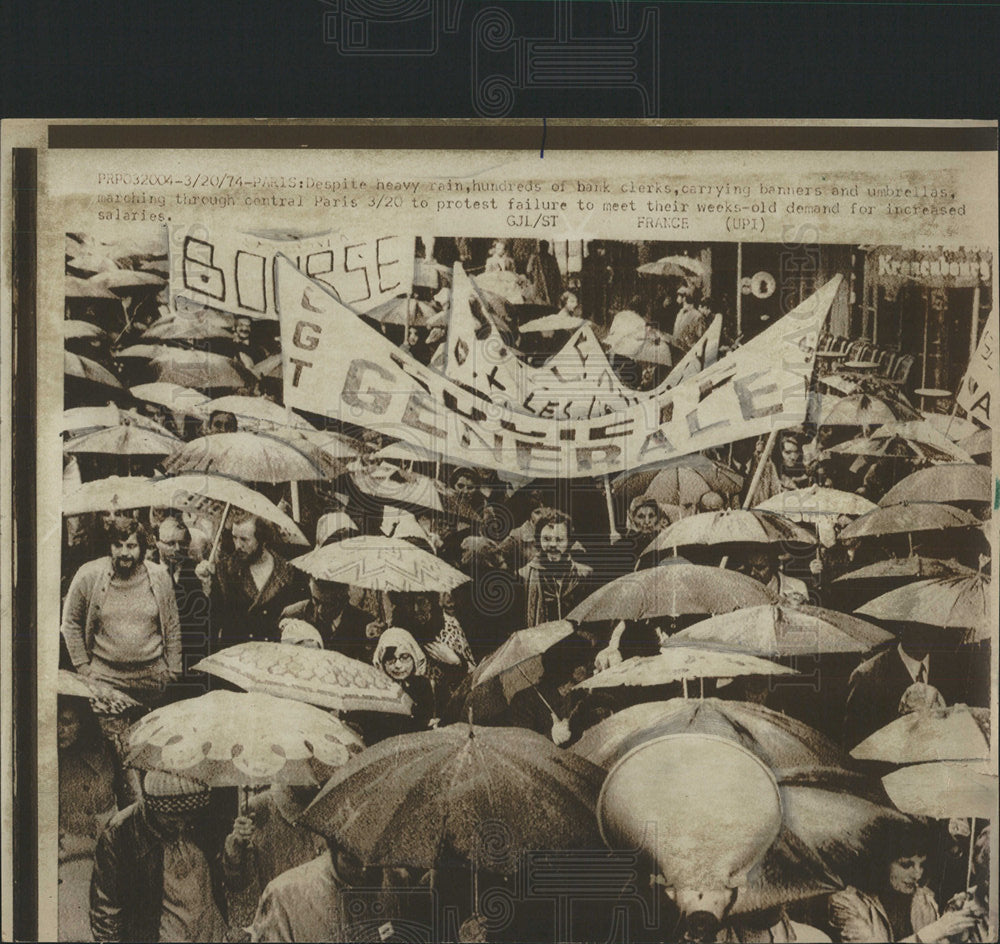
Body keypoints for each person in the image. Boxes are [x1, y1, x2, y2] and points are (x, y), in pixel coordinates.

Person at [90, 771, 252, 943]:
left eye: (187, 818)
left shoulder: (205, 819)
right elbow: (106, 915)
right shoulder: (121, 834)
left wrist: (233, 857)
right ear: (154, 808)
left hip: (212, 935)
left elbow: (236, 884)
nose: (181, 826)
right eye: (172, 822)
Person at [61, 518, 182, 707]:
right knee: (110, 736)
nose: (124, 553)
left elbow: (172, 624)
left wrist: (173, 671)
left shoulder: (160, 577)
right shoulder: (89, 575)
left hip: (152, 682)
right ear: (109, 547)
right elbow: (70, 622)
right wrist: (83, 668)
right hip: (105, 681)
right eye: (118, 545)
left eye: (131, 546)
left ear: (142, 548)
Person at [828, 822, 977, 943]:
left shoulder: (924, 898)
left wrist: (957, 927)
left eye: (922, 865)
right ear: (881, 864)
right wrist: (935, 931)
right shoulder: (845, 903)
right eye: (906, 865)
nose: (918, 874)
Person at [58, 695, 125, 942]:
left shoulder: (106, 755)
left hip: (105, 862)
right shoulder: (52, 762)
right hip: (71, 864)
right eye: (56, 721)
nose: (59, 729)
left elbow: (124, 800)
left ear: (82, 724)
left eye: (67, 722)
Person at [843, 624, 969, 749]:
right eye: (918, 621)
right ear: (902, 624)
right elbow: (855, 749)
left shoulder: (953, 672)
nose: (927, 628)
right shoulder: (867, 678)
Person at [249, 842, 404, 943]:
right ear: (333, 849)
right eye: (352, 860)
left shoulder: (394, 881)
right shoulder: (284, 894)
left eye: (374, 861)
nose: (364, 869)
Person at [201, 512, 306, 650]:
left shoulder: (288, 572)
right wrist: (205, 587)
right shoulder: (224, 571)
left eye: (244, 539)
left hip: (273, 654)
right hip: (237, 655)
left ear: (262, 540)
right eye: (234, 537)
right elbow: (213, 620)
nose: (238, 545)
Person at [156, 516, 211, 692]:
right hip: (158, 662)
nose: (177, 549)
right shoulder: (146, 572)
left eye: (182, 543)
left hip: (191, 662)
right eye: (170, 543)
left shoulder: (198, 571)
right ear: (157, 543)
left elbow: (206, 619)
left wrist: (207, 589)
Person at [509, 634, 594, 744]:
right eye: (586, 664)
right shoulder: (524, 701)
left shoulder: (580, 694)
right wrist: (551, 737)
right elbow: (522, 747)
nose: (590, 670)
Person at [519, 509, 594, 626]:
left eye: (559, 540)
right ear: (538, 540)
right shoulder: (523, 576)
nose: (553, 545)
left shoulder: (583, 574)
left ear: (569, 541)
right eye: (547, 539)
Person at [280, 577, 374, 662]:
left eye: (328, 604)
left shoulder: (364, 624)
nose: (320, 610)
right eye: (315, 601)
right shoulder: (293, 615)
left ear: (344, 600)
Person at [370, 627, 436, 735]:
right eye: (390, 660)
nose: (398, 665)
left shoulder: (422, 685)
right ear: (381, 661)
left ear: (414, 657)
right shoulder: (377, 688)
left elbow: (425, 717)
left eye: (404, 658)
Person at [738, 548, 809, 604]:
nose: (752, 573)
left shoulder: (797, 586)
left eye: (760, 568)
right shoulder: (741, 588)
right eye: (749, 567)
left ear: (773, 566)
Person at [525, 240, 563, 306]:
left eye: (545, 247)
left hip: (548, 286)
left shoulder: (551, 259)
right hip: (539, 286)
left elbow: (557, 274)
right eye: (543, 247)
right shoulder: (535, 258)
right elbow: (529, 270)